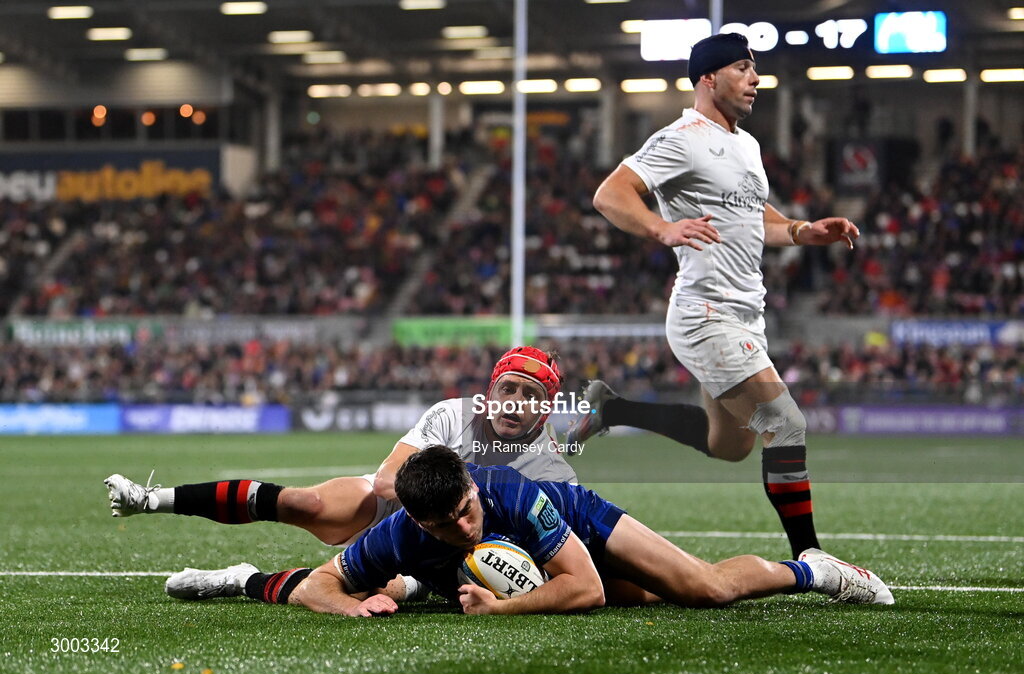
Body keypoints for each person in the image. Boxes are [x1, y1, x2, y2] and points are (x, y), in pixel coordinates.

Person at [572, 32, 861, 559]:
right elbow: (609, 194)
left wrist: (802, 230)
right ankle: (813, 560)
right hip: (706, 315)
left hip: (746, 315)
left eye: (755, 69)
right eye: (743, 68)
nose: (755, 79)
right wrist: (663, 229)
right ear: (709, 77)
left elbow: (754, 219)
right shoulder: (682, 137)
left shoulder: (745, 145)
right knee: (785, 423)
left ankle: (614, 411)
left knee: (728, 445)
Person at [106, 346, 576, 604]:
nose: (515, 400)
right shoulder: (453, 416)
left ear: (547, 406)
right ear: (490, 390)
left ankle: (241, 580)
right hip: (401, 510)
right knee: (305, 503)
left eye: (529, 394)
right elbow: (388, 480)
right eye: (507, 388)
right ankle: (150, 499)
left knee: (371, 592)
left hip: (460, 549)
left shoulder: (553, 468)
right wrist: (444, 503)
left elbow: (563, 549)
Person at [283, 445, 893, 617]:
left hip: (581, 525)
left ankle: (818, 570)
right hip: (540, 563)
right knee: (648, 600)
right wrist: (350, 610)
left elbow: (586, 587)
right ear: (417, 522)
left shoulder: (514, 496)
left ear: (473, 485)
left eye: (467, 510)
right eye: (444, 526)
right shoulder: (400, 535)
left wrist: (500, 611)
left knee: (702, 589)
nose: (464, 527)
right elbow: (318, 582)